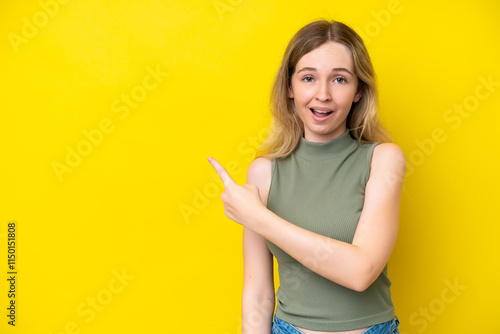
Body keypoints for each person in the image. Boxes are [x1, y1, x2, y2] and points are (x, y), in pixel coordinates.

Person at [208, 19, 406, 334]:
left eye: (340, 79)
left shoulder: (383, 160)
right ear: (289, 87)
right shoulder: (263, 172)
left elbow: (361, 271)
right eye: (308, 78)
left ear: (358, 91)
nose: (323, 94)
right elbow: (258, 294)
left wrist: (260, 219)